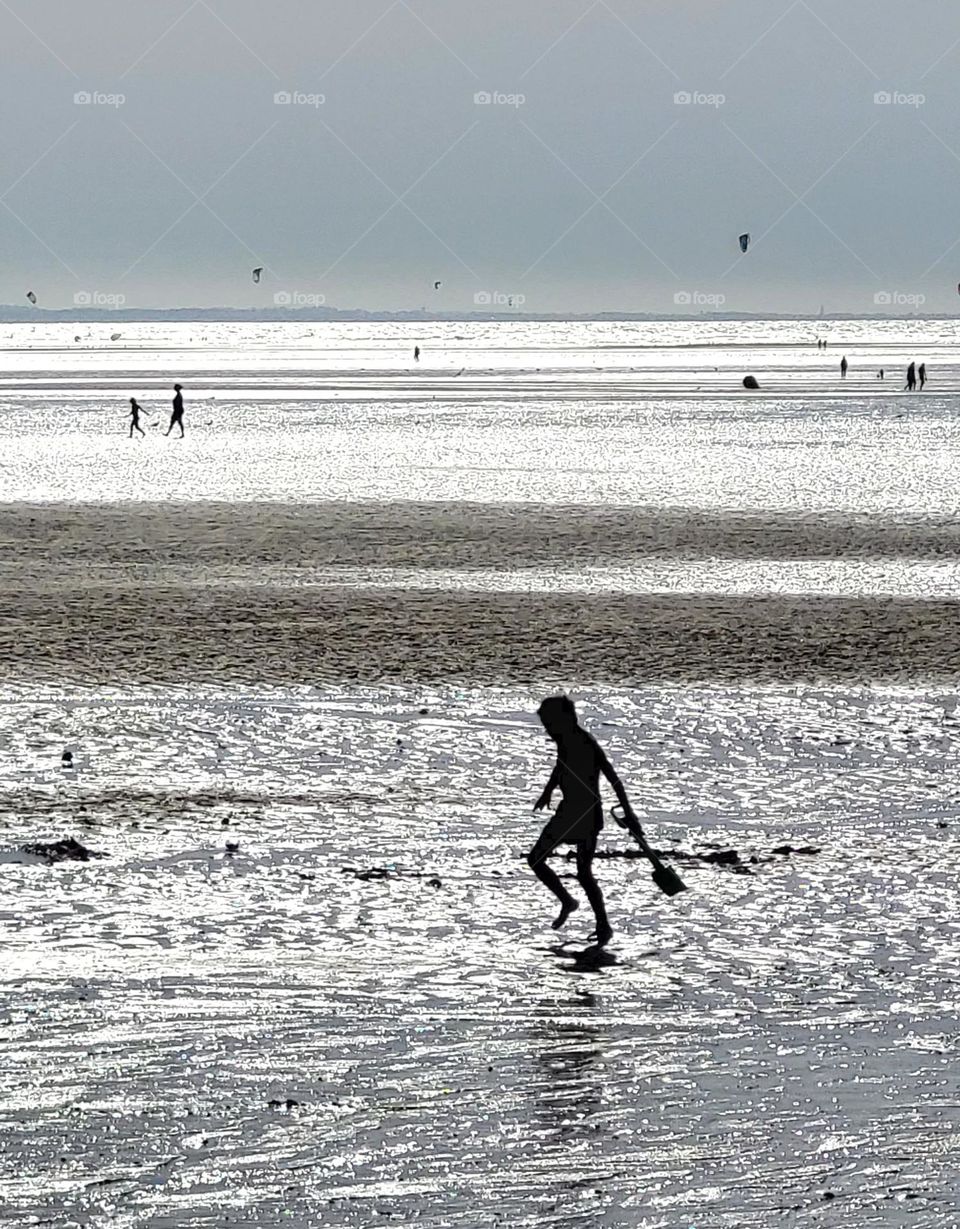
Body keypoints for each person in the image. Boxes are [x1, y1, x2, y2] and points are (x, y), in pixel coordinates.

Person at [527, 696, 646, 948]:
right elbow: (560, 767)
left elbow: (613, 778)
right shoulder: (564, 739)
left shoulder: (584, 742)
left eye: (550, 724)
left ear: (566, 720)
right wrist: (548, 791)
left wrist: (629, 814)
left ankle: (587, 914)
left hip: (583, 815)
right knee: (580, 872)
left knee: (543, 860)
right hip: (572, 811)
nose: (547, 729)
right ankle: (594, 920)